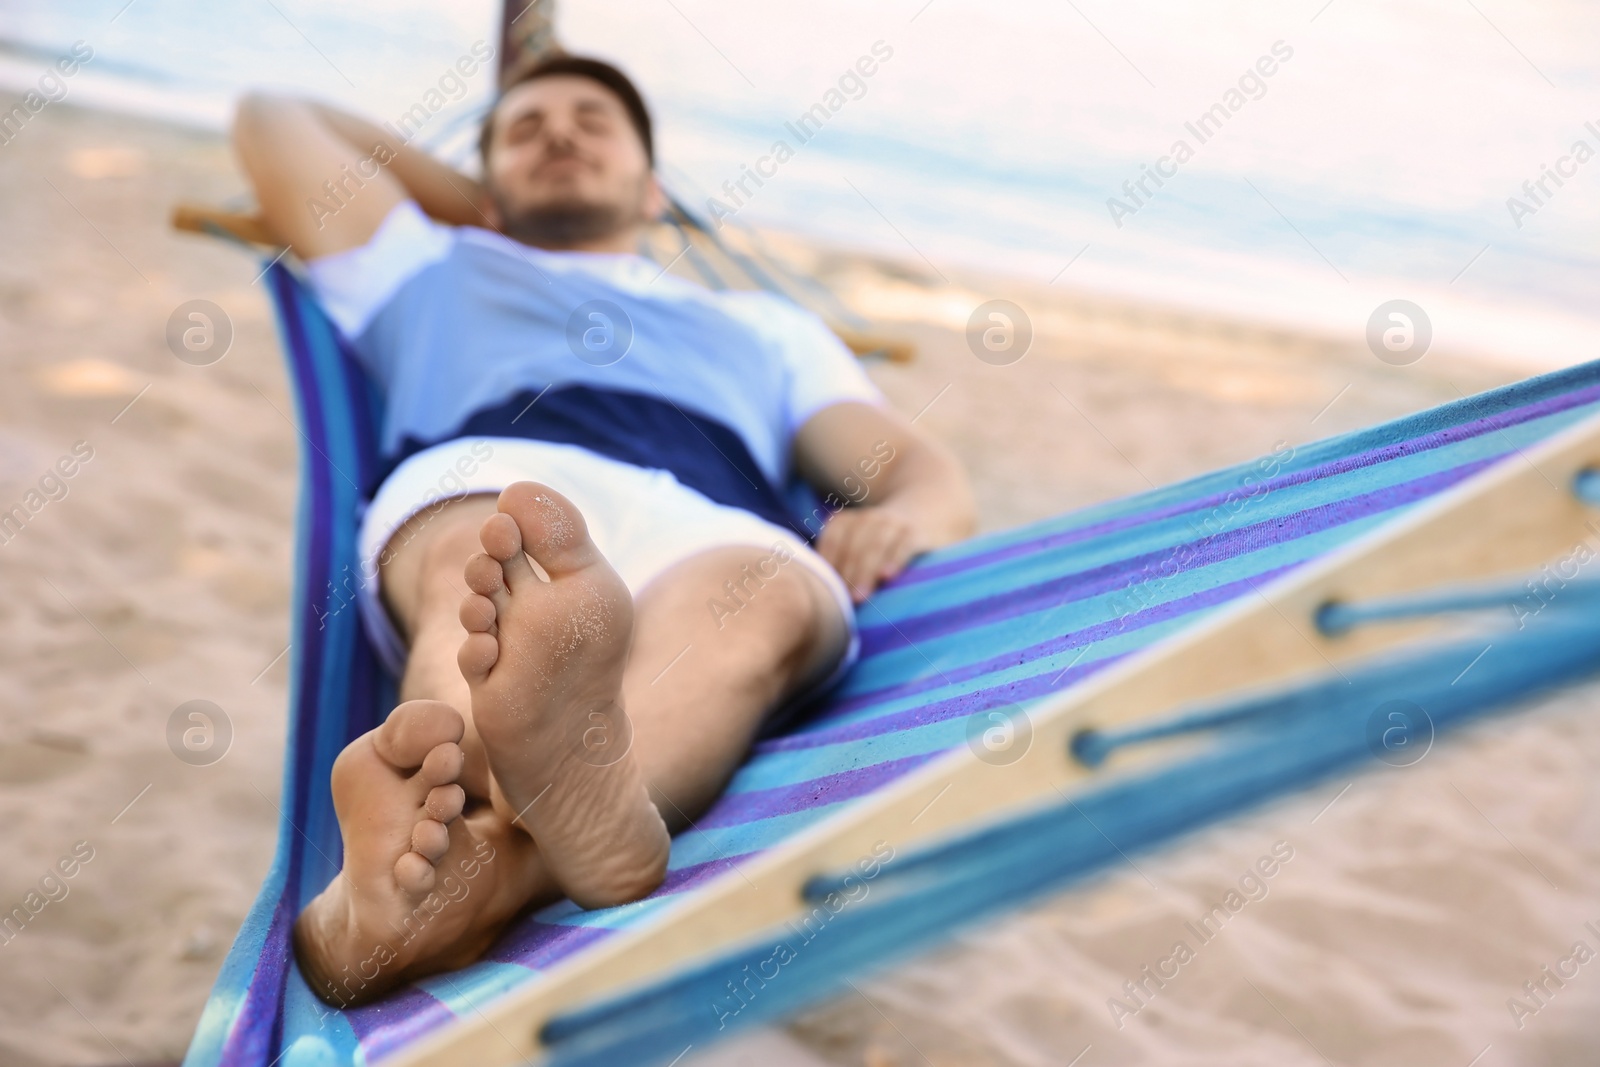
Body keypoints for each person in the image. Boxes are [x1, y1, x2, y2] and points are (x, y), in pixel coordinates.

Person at [231, 53, 975, 1006]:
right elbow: (273, 110)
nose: (560, 133)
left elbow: (921, 473)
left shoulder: (766, 327)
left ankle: (435, 892)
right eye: (527, 128)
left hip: (709, 518)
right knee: (489, 553)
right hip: (494, 466)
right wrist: (474, 207)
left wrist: (901, 517)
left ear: (654, 187)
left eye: (592, 121)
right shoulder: (421, 262)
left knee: (764, 593)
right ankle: (503, 841)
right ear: (483, 185)